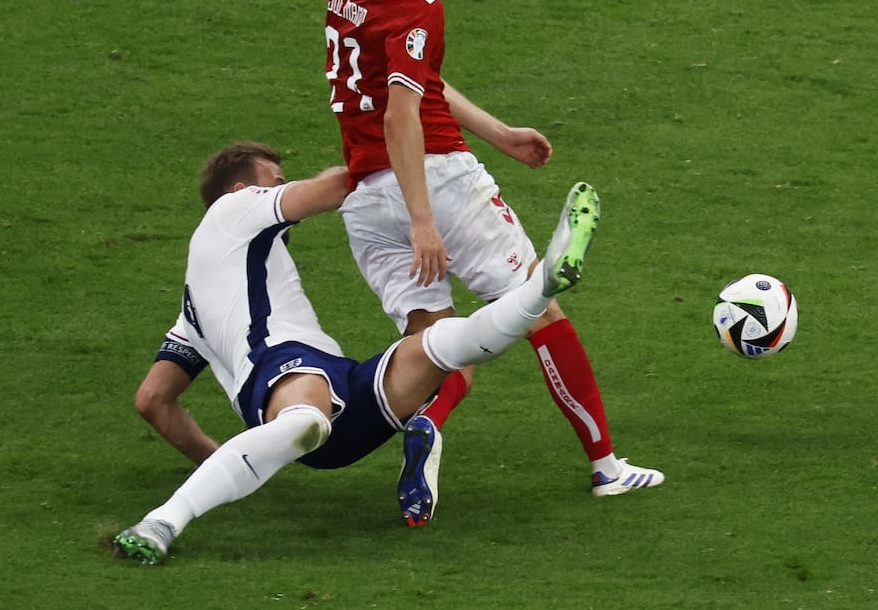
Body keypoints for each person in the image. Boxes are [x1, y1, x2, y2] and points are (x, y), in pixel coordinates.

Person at [322, 0, 664, 527]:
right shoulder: (418, 1)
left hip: (366, 202)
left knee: (437, 347)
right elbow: (402, 114)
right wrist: (425, 218)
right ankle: (606, 467)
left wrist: (500, 133)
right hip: (436, 185)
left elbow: (415, 82)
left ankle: (428, 423)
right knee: (540, 308)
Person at [113, 141, 603, 564]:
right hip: (284, 370)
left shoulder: (192, 310)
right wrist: (404, 152)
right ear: (242, 191)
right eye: (275, 181)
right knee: (307, 419)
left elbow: (153, 400)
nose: (283, 186)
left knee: (441, 345)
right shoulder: (232, 211)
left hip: (340, 386)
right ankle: (161, 523)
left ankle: (543, 284)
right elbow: (333, 186)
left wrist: (228, 463)